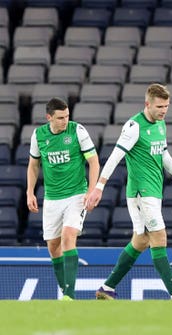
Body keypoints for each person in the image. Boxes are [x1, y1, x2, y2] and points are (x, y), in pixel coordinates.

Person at [84, 83, 172, 300]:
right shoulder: (134, 127)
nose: (164, 110)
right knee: (159, 237)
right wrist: (99, 187)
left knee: (140, 241)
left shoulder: (161, 123)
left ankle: (107, 288)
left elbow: (164, 156)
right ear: (147, 104)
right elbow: (114, 157)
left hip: (154, 191)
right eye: (159, 106)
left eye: (166, 106)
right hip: (141, 192)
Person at [26, 97, 100, 300]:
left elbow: (93, 161)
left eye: (67, 116)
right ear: (49, 117)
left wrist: (92, 190)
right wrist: (30, 192)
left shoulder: (77, 130)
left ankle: (69, 295)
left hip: (76, 194)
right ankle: (65, 289)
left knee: (68, 236)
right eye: (60, 118)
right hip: (52, 198)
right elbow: (34, 165)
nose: (65, 121)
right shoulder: (39, 135)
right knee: (53, 246)